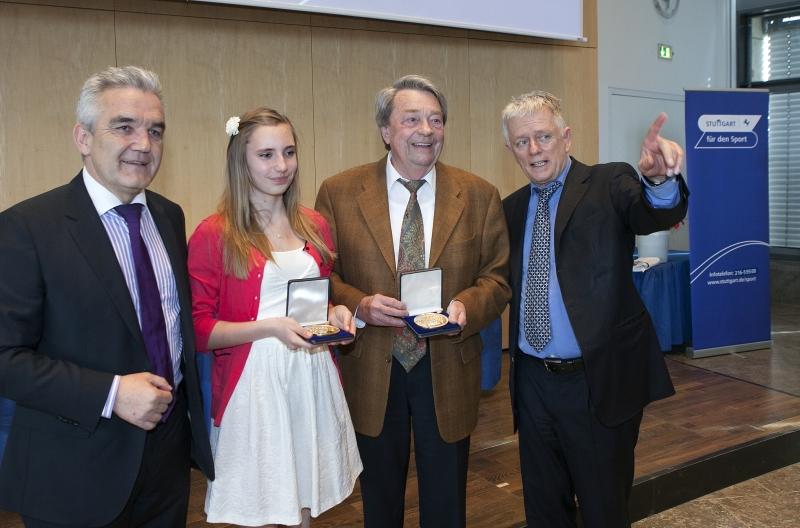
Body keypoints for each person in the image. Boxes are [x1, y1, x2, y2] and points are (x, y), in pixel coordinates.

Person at [0, 66, 214, 527]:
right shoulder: (27, 228)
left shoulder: (169, 217)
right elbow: (4, 358)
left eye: (155, 131)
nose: (144, 144)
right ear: (82, 137)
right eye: (124, 127)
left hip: (167, 459)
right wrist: (112, 393)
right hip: (75, 468)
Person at [315, 75, 510, 527]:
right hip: (372, 366)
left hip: (447, 365)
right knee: (380, 502)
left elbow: (496, 279)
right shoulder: (339, 192)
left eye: (436, 120)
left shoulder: (479, 195)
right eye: (412, 119)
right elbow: (324, 275)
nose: (426, 130)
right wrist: (360, 306)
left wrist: (467, 305)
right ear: (386, 130)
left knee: (446, 502)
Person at [501, 90, 689, 527]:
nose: (534, 149)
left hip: (597, 381)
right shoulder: (510, 209)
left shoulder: (609, 183)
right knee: (544, 509)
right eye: (522, 142)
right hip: (532, 382)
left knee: (604, 508)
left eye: (543, 136)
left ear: (566, 137)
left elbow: (651, 215)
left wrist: (659, 183)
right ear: (510, 149)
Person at [188, 107, 362, 528]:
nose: (281, 165)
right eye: (266, 155)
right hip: (256, 386)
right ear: (240, 161)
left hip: (311, 377)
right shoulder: (215, 234)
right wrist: (269, 328)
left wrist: (334, 312)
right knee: (267, 504)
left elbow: (312, 301)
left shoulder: (314, 223)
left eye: (288, 152)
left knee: (304, 499)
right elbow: (199, 330)